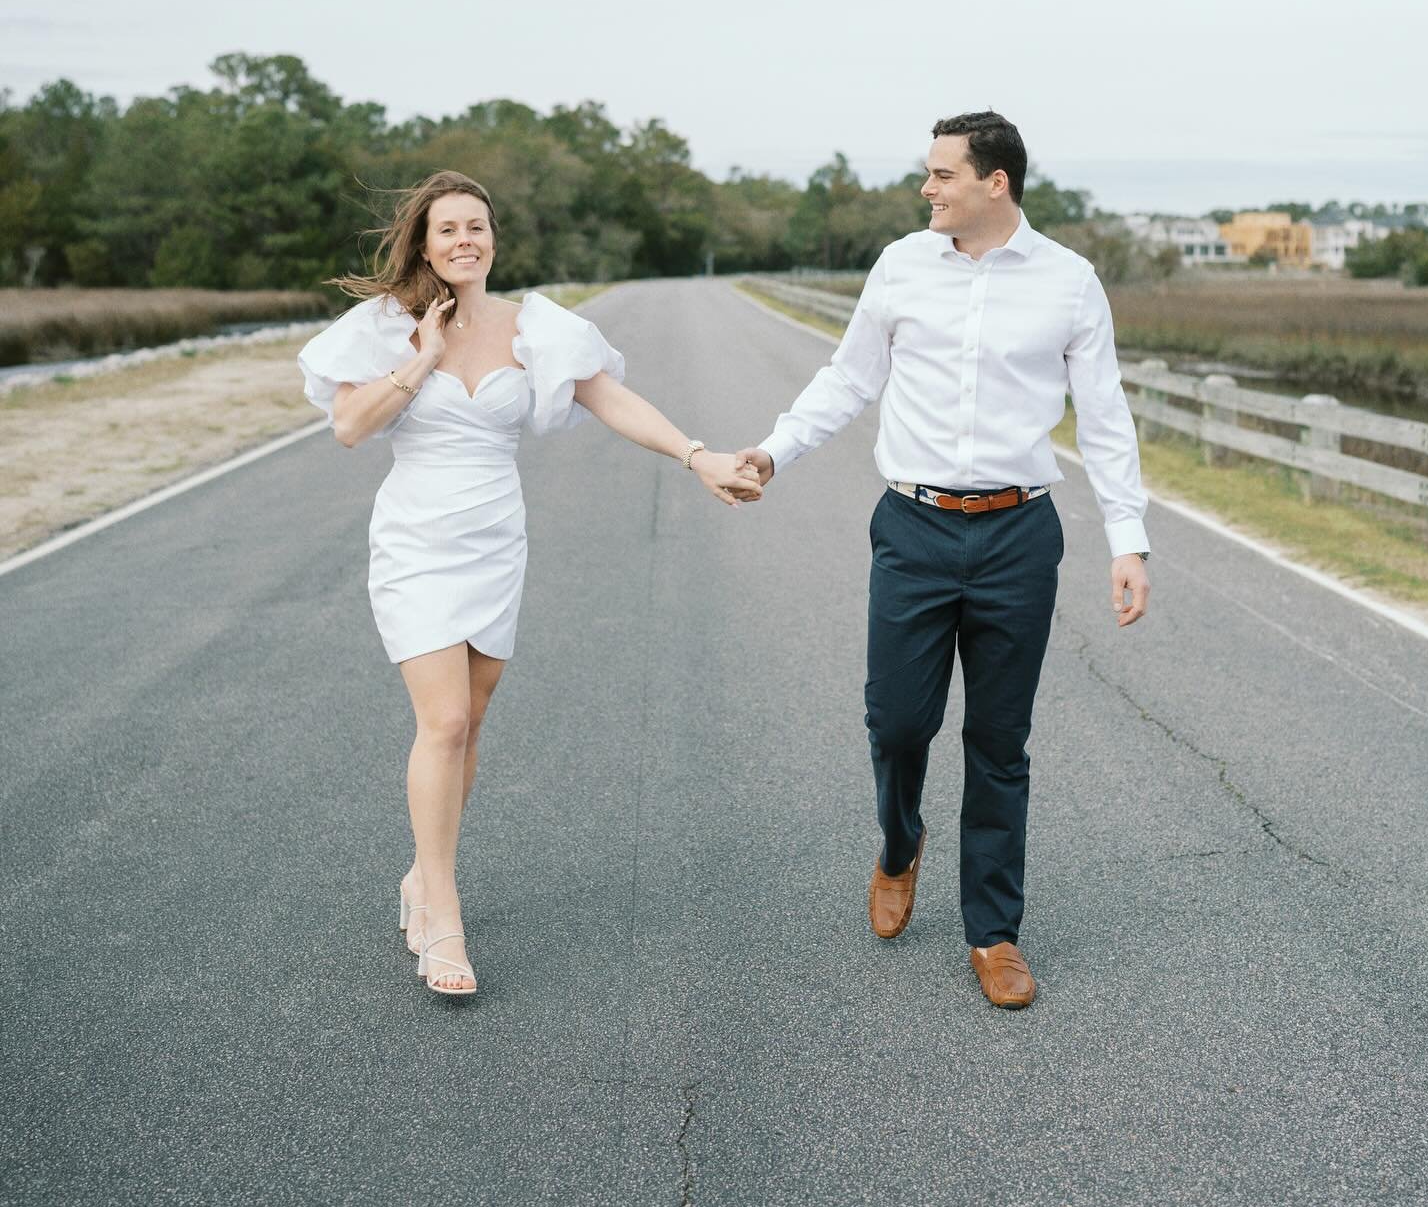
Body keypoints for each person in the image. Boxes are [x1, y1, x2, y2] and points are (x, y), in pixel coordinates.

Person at [298, 170, 759, 997]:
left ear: (493, 239)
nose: (464, 240)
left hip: (494, 540)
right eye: (448, 229)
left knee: (469, 723)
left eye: (477, 226)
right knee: (440, 721)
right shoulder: (382, 328)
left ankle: (421, 871)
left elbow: (613, 401)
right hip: (417, 540)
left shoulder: (535, 328)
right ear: (424, 242)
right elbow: (347, 427)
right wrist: (424, 359)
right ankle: (442, 911)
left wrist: (699, 457)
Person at [737, 112, 1149, 1010]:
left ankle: (993, 933)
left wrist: (1129, 539)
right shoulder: (900, 265)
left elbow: (1106, 418)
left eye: (941, 175)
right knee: (896, 723)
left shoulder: (1069, 283)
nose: (927, 188)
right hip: (914, 528)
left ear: (994, 182)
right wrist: (774, 450)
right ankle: (899, 844)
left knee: (1000, 743)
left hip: (1017, 535)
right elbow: (848, 378)